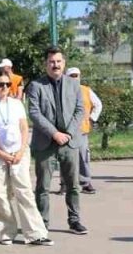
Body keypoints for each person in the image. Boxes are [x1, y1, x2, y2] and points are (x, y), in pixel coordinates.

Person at [0, 69, 51, 245]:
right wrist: (1, 153)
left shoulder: (16, 104)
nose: (4, 87)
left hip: (19, 152)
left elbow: (24, 128)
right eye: (1, 84)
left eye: (7, 84)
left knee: (24, 191)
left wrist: (20, 151)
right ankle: (6, 232)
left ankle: (35, 233)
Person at [28, 47, 88, 234]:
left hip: (70, 143)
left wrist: (68, 133)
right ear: (46, 64)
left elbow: (80, 110)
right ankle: (42, 224)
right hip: (46, 143)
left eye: (58, 61)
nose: (55, 65)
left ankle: (75, 220)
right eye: (51, 62)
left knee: (73, 186)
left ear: (64, 63)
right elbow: (34, 113)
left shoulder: (74, 84)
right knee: (43, 187)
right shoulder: (36, 86)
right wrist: (54, 133)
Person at [67, 67, 102, 194]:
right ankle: (65, 184)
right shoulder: (62, 91)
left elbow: (98, 104)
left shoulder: (86, 90)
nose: (74, 78)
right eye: (71, 76)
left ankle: (85, 182)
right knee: (66, 158)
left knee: (83, 157)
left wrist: (92, 119)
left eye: (76, 75)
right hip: (66, 131)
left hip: (82, 130)